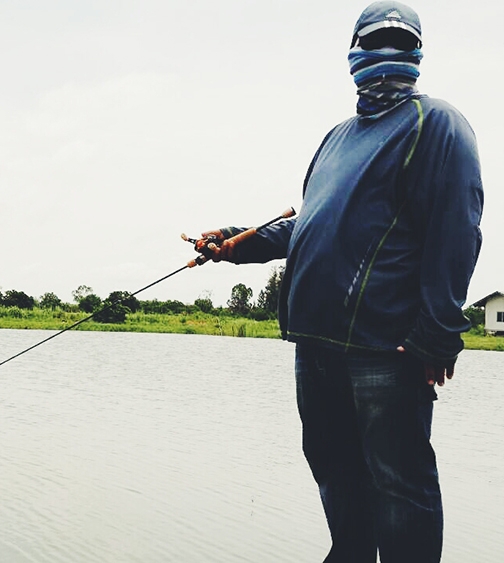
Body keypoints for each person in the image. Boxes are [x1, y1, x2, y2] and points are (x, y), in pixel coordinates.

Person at [202, 2, 483, 561]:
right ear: (352, 51)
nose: (387, 52)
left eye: (401, 43)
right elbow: (309, 222)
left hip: (386, 348)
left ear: (418, 55)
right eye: (375, 39)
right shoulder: (336, 137)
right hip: (315, 345)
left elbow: (458, 231)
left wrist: (437, 333)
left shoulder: (438, 125)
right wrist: (237, 243)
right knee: (332, 470)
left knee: (399, 481)